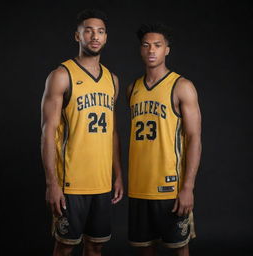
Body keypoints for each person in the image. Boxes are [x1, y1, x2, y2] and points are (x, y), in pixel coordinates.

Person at [41, 9, 123, 256]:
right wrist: (51, 183)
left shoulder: (112, 80)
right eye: (88, 30)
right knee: (65, 246)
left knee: (96, 246)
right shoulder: (61, 76)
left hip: (101, 183)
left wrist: (118, 174)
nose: (94, 36)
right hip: (70, 182)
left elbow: (112, 132)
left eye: (100, 31)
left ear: (106, 37)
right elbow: (47, 132)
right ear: (77, 36)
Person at [127, 23, 202, 256]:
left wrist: (188, 187)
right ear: (140, 49)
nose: (151, 50)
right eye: (146, 45)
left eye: (157, 45)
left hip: (170, 187)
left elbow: (194, 138)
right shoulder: (132, 89)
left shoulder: (182, 86)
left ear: (166, 50)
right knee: (144, 249)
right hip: (139, 187)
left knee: (180, 249)